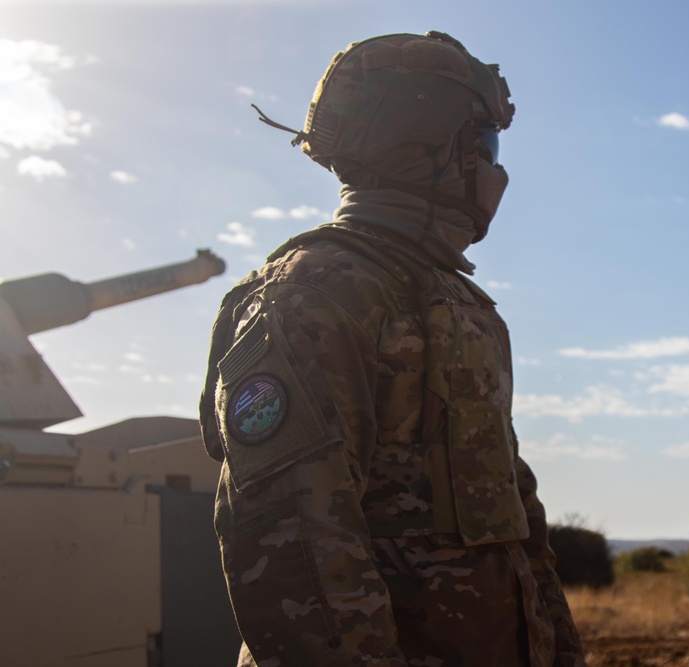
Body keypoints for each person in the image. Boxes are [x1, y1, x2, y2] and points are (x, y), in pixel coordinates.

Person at [199, 31, 585, 667]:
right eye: (483, 145)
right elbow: (296, 551)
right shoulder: (311, 295)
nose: (495, 172)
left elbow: (516, 518)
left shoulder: (457, 304)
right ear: (426, 144)